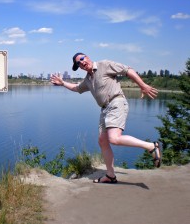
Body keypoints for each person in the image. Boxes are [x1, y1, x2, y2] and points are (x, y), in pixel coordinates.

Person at [50, 52, 162, 184]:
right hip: (104, 109)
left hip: (116, 102)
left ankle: (151, 146)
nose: (82, 63)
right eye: (78, 64)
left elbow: (128, 70)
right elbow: (77, 88)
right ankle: (110, 175)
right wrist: (63, 83)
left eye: (82, 59)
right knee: (103, 141)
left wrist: (142, 85)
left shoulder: (104, 65)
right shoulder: (88, 79)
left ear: (87, 57)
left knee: (114, 138)